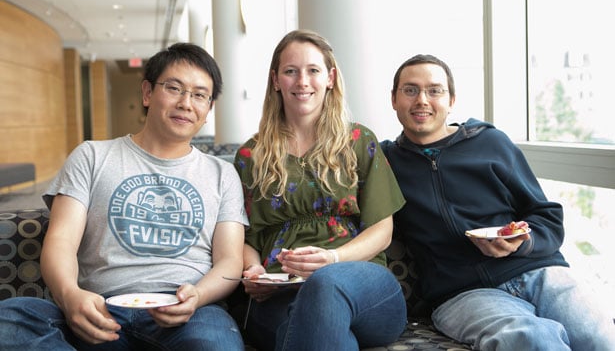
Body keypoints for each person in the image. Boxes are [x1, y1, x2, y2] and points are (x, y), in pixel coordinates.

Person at [0, 43, 248, 350]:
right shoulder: (92, 156)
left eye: (199, 95)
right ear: (147, 93)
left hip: (188, 313)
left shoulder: (222, 174)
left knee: (216, 345)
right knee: (10, 320)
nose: (186, 103)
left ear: (208, 109)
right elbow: (61, 240)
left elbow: (229, 261)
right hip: (101, 309)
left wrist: (198, 296)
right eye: (174, 88)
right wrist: (70, 296)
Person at [381, 53, 615, 350]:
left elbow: (546, 215)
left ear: (451, 100)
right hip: (463, 294)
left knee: (600, 338)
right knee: (531, 338)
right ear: (394, 99)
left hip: (540, 272)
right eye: (410, 90)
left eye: (435, 90)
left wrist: (523, 241)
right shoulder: (385, 162)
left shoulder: (490, 143)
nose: (422, 100)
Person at [233, 29, 407, 351]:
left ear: (330, 78)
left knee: (325, 285)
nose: (302, 81)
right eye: (290, 71)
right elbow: (244, 236)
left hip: (363, 283)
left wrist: (333, 258)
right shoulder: (249, 156)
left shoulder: (358, 141)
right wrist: (254, 271)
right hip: (280, 290)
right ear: (275, 80)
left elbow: (382, 230)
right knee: (315, 329)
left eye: (313, 70)